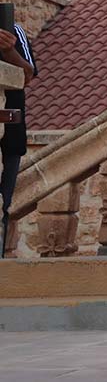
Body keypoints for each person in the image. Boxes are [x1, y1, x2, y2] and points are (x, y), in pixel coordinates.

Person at [0, 22, 35, 257]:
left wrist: (8, 50)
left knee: (3, 206)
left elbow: (27, 75)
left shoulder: (10, 27)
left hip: (8, 136)